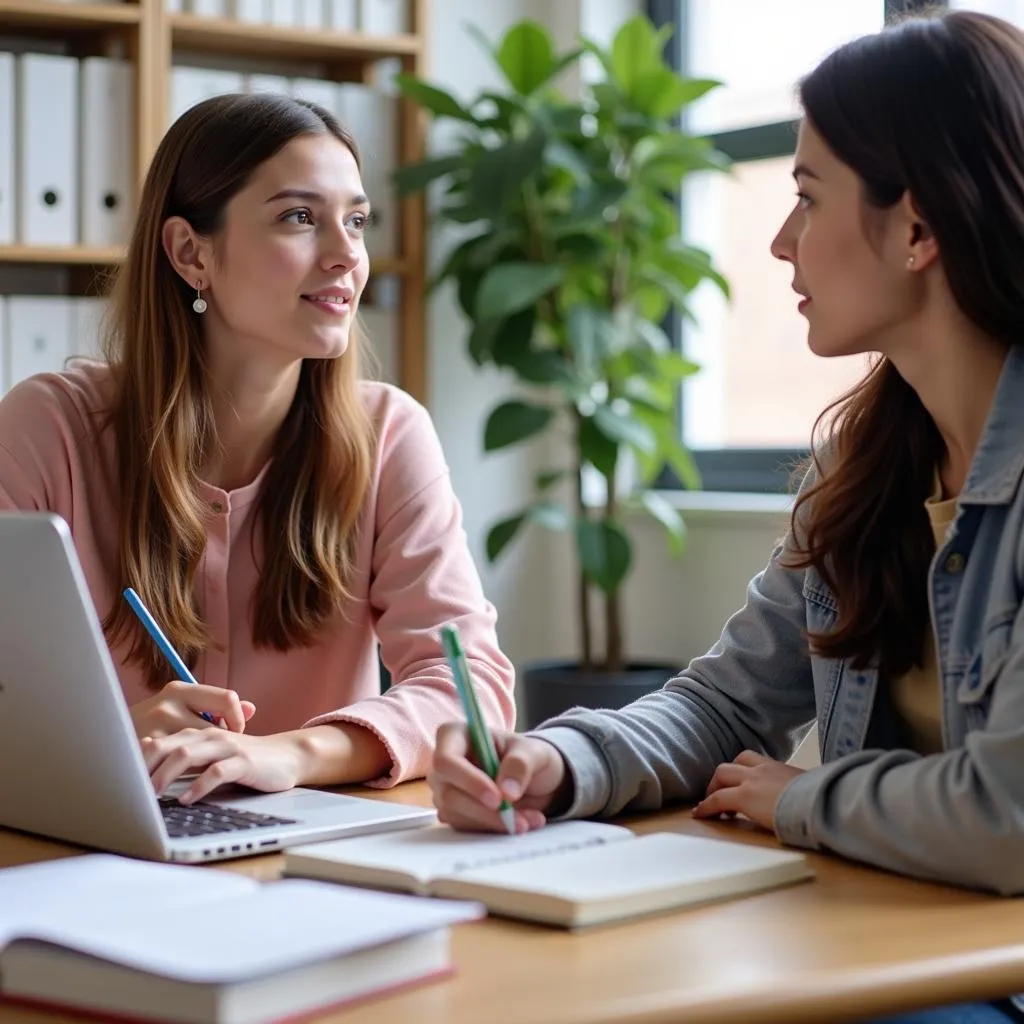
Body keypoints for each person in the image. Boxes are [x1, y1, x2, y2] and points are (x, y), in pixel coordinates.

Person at [428, 10, 1024, 1023]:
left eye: (805, 198)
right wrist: (558, 761)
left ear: (917, 228)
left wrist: (797, 798)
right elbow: (723, 705)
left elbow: (1005, 816)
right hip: (887, 941)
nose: (780, 240)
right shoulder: (862, 465)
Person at [0, 93, 515, 806]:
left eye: (357, 222)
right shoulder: (47, 430)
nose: (346, 256)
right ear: (190, 252)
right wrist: (111, 738)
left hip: (309, 859)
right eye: (299, 218)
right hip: (96, 852)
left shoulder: (390, 435)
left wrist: (289, 754)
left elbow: (471, 691)